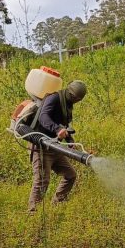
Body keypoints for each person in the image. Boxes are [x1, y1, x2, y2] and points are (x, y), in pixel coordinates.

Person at [27, 80, 87, 214]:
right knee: (42, 181)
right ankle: (32, 213)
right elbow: (43, 117)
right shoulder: (54, 98)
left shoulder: (68, 104)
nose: (76, 101)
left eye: (78, 99)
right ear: (72, 94)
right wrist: (57, 128)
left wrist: (70, 141)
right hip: (41, 146)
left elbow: (65, 125)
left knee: (70, 175)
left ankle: (57, 205)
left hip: (55, 147)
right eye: (75, 98)